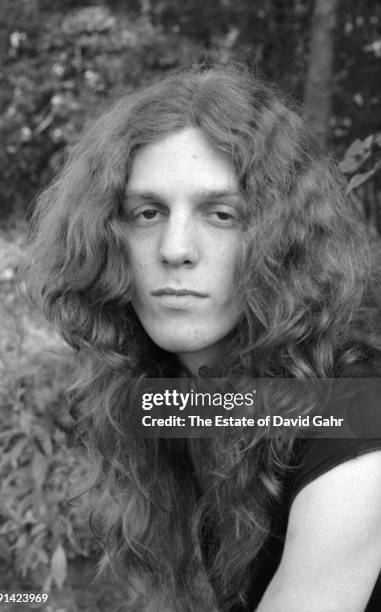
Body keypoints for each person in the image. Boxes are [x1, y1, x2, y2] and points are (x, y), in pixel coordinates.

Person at [24, 63, 381, 611]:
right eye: (147, 212)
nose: (174, 249)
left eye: (221, 214)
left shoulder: (359, 430)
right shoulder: (188, 400)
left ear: (281, 243)